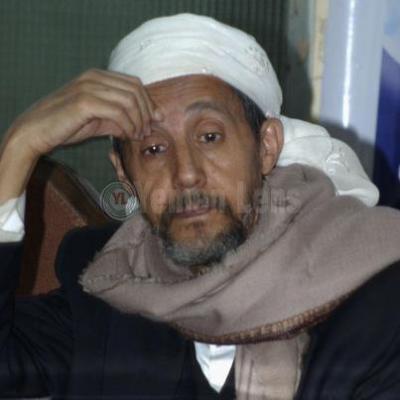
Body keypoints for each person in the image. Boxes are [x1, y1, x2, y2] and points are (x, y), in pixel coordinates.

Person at [1, 13, 400, 400]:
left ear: (266, 147)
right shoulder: (106, 286)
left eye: (210, 137)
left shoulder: (375, 298)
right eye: (154, 149)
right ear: (124, 172)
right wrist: (21, 145)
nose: (186, 174)